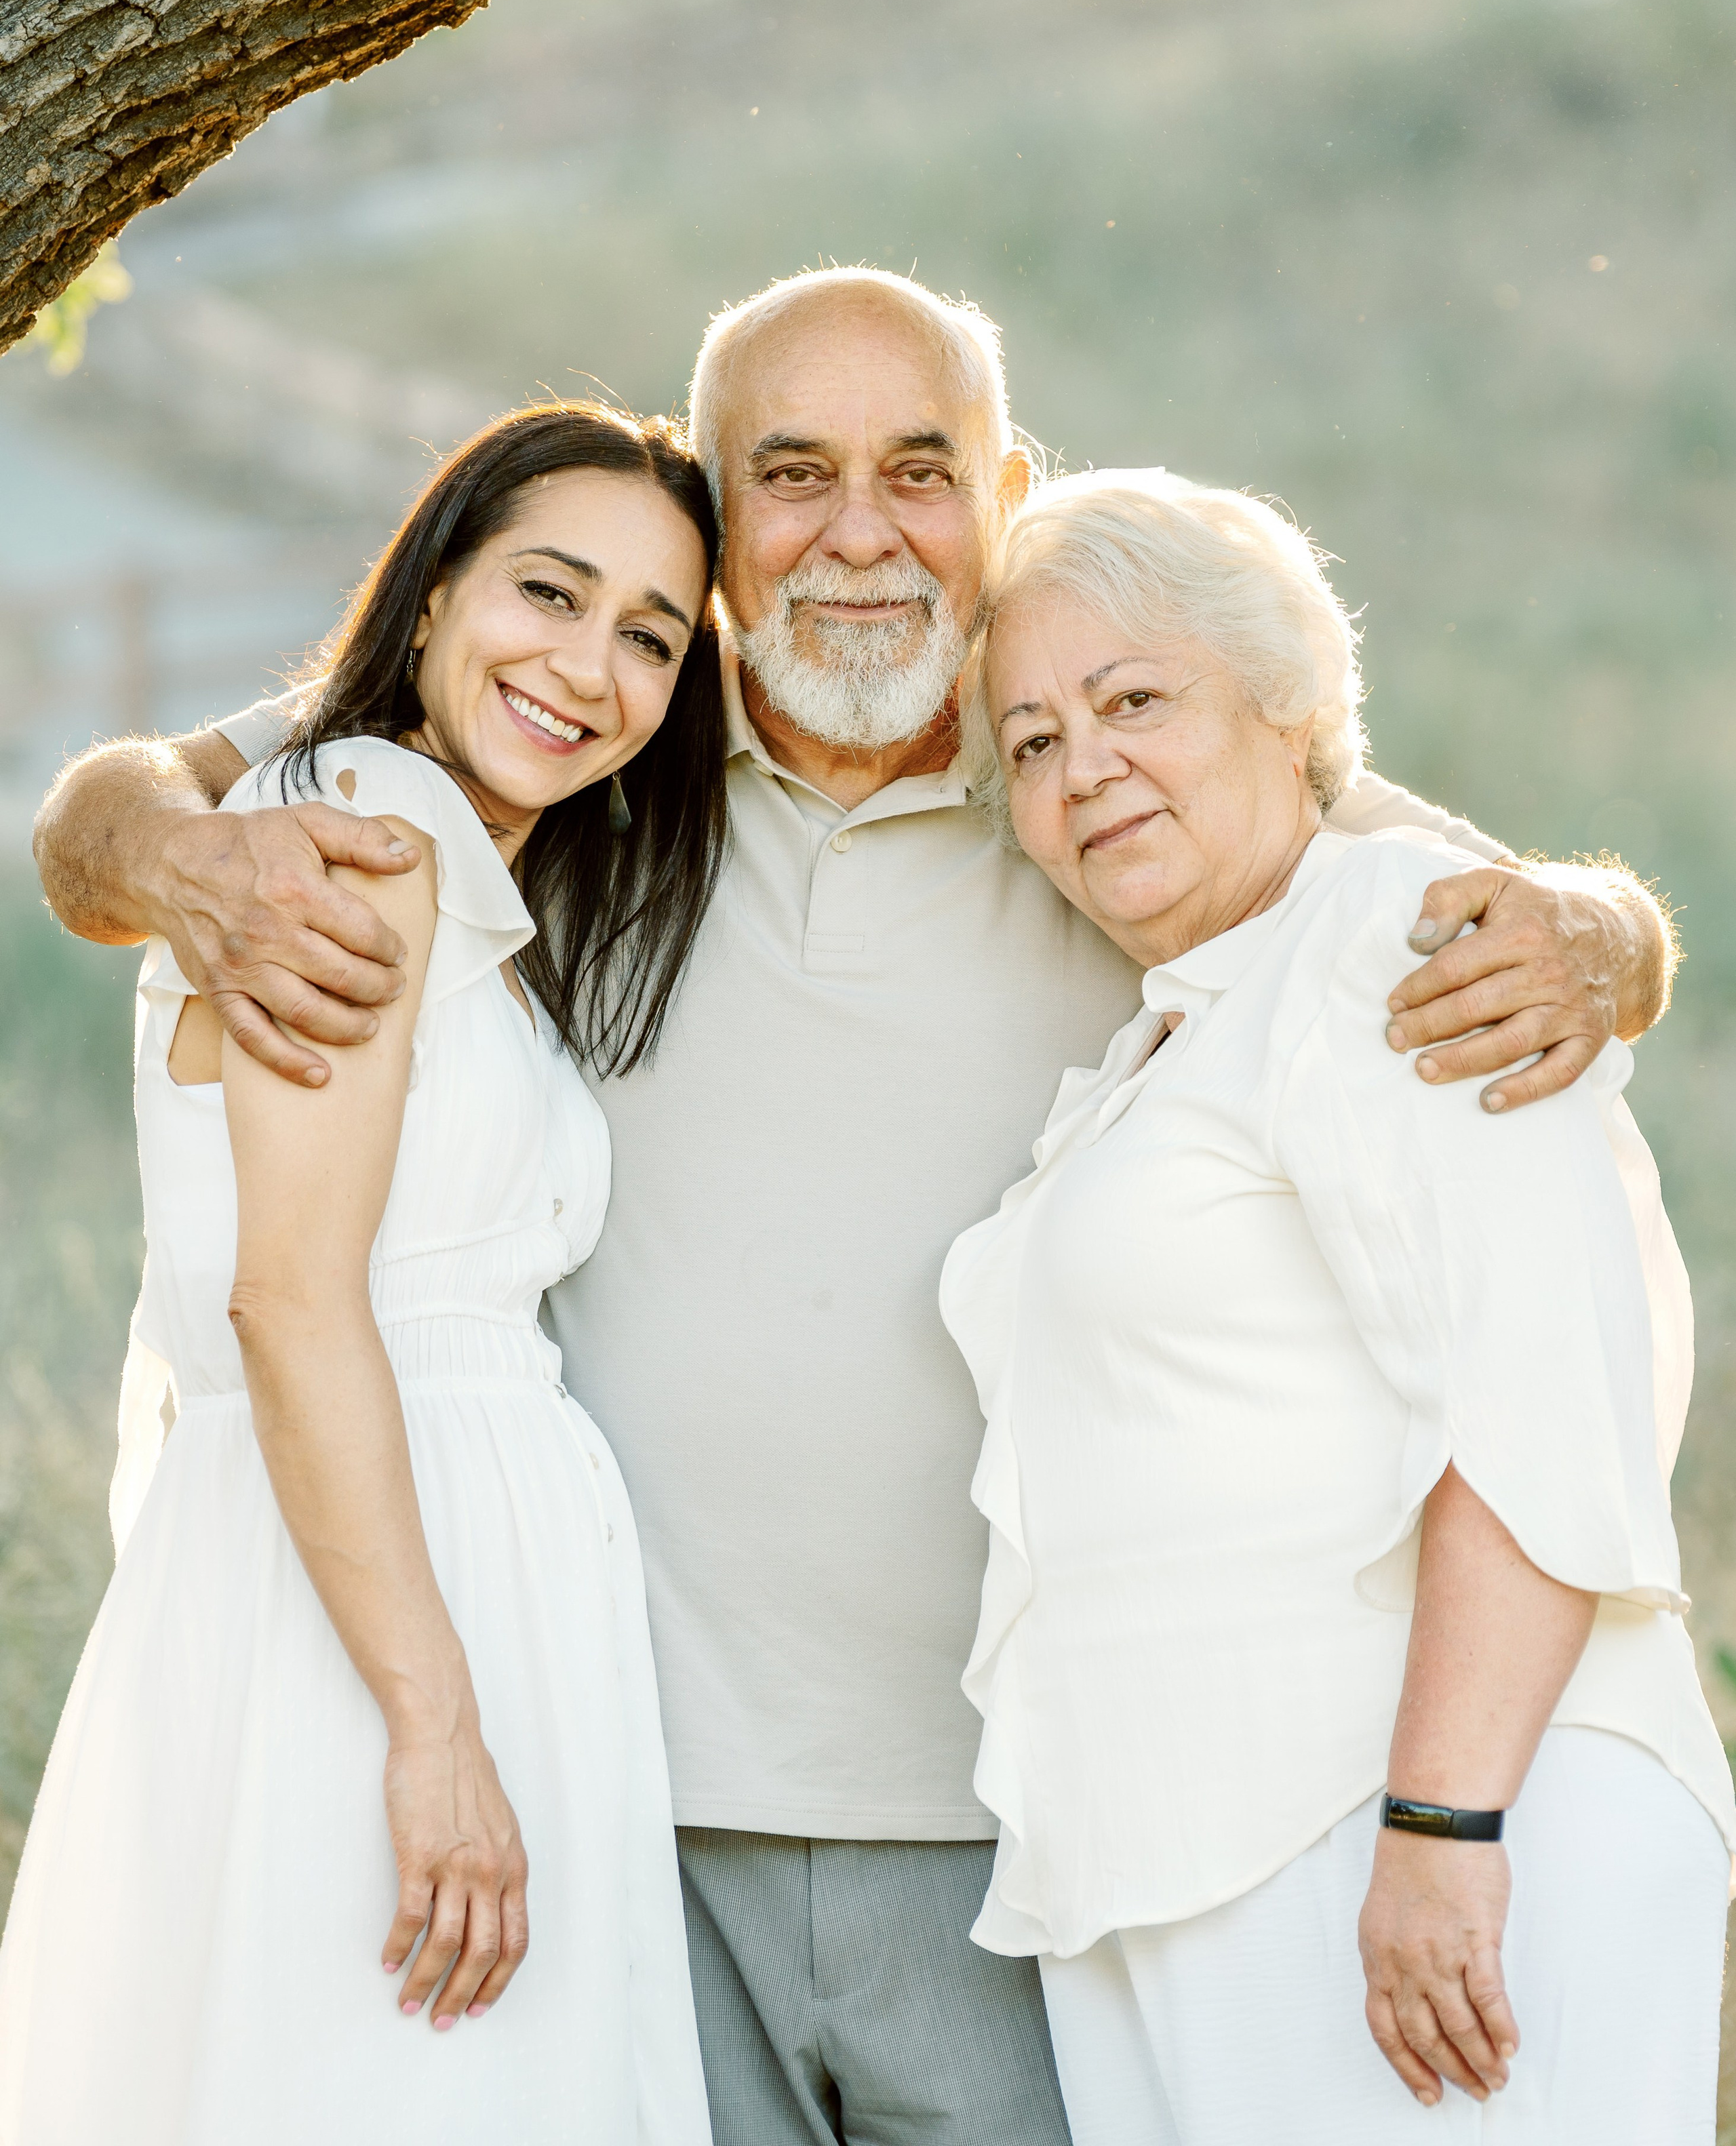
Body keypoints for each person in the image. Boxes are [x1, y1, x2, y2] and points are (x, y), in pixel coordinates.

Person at [32, 271, 1680, 2146]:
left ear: (1002, 494)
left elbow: (1467, 905)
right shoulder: (591, 736)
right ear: (717, 519)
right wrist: (178, 861)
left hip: (1017, 1828)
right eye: (793, 474)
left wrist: (1608, 931)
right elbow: (127, 812)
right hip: (633, 1801)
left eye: (920, 469)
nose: (859, 534)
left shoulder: (1088, 764)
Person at [943, 469, 1734, 2143]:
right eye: (1031, 740)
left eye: (1132, 701)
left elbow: (1533, 1386)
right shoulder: (1176, 1032)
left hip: (1413, 1843)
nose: (1083, 767)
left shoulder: (1392, 937)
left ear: (1288, 702)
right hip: (1206, 1865)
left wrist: (1441, 1829)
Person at [0, 405, 724, 2145]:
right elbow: (293, 1299)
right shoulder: (366, 829)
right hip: (390, 1612)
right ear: (430, 592)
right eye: (548, 592)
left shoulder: (456, 865)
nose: (590, 666)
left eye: (649, 636)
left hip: (430, 1585)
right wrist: (433, 1723)